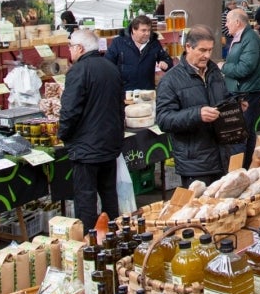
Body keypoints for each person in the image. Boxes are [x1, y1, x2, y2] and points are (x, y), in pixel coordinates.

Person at [58, 30, 124, 235]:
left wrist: (63, 134)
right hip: (109, 143)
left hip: (86, 147)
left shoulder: (78, 71)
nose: (69, 50)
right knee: (109, 194)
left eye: (70, 46)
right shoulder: (111, 68)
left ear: (80, 48)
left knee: (86, 199)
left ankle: (90, 242)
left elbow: (70, 109)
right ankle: (114, 236)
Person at [156, 25, 231, 187]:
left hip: (220, 156)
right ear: (188, 47)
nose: (207, 55)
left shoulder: (215, 73)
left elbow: (223, 99)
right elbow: (163, 120)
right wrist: (198, 114)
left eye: (210, 50)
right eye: (202, 50)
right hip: (194, 163)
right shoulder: (170, 80)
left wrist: (234, 105)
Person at [218, 9, 260, 169]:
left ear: (238, 22)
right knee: (247, 133)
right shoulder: (241, 38)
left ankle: (237, 171)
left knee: (239, 135)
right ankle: (246, 169)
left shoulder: (249, 39)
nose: (226, 24)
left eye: (228, 21)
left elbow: (245, 68)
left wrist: (223, 66)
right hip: (241, 91)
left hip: (245, 93)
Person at [105, 14, 173, 91]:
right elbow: (107, 65)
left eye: (149, 30)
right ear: (134, 30)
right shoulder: (118, 43)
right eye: (143, 30)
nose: (147, 33)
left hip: (147, 92)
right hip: (124, 92)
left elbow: (168, 60)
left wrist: (166, 64)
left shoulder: (154, 44)